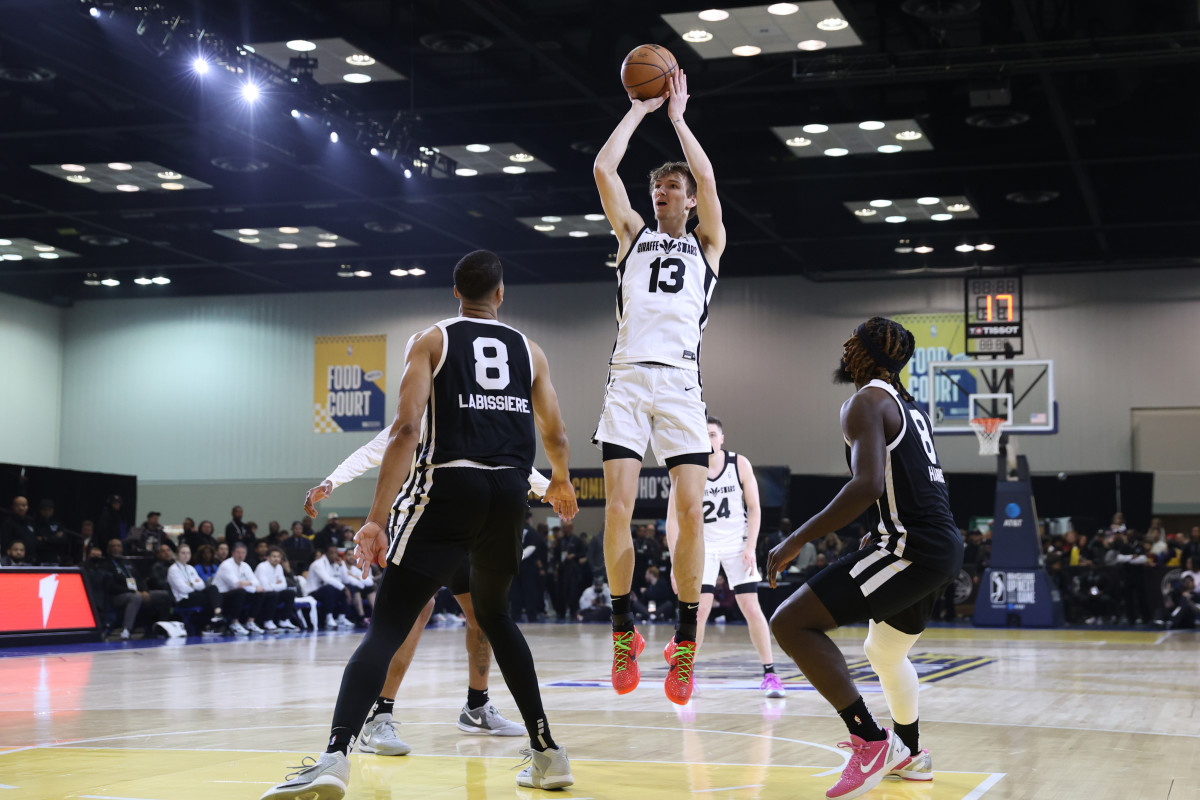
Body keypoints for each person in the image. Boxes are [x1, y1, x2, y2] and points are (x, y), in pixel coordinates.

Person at [262, 250, 579, 799]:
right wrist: (561, 480)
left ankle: (337, 756)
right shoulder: (531, 351)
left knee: (387, 626)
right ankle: (548, 752)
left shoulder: (432, 340)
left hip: (448, 488)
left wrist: (376, 519)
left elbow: (404, 430)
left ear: (455, 291)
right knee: (498, 619)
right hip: (508, 492)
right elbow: (556, 432)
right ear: (501, 295)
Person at [766, 317, 964, 799]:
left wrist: (794, 539)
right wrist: (878, 526)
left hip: (911, 548)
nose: (844, 347)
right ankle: (911, 753)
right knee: (884, 651)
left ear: (866, 355)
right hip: (939, 544)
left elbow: (868, 484)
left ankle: (871, 741)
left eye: (852, 341)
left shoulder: (864, 402)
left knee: (790, 623)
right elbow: (908, 482)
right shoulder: (906, 405)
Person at [592, 67, 725, 704]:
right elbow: (603, 168)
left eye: (674, 187)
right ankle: (624, 633)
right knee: (617, 510)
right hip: (626, 381)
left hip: (679, 386)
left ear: (690, 198)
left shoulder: (708, 245)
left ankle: (683, 643)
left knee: (690, 514)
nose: (664, 195)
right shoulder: (632, 238)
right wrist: (640, 111)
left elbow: (710, 179)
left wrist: (677, 117)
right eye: (660, 189)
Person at [666, 416, 784, 698]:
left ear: (722, 438)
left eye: (713, 434)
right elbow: (672, 519)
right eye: (703, 434)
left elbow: (754, 509)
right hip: (702, 546)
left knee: (751, 608)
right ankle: (685, 673)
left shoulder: (739, 463)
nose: (708, 439)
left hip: (736, 543)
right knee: (700, 611)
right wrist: (675, 561)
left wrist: (750, 546)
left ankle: (770, 673)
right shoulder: (686, 469)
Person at [167, 543, 224, 632]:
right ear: (177, 554)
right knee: (213, 598)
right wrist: (194, 584)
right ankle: (212, 622)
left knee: (213, 588)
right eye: (183, 553)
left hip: (194, 595)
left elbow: (202, 585)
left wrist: (190, 584)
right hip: (183, 599)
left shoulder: (190, 568)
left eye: (188, 553)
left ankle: (217, 615)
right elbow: (182, 588)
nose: (186, 555)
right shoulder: (173, 569)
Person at [213, 541, 265, 635]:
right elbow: (235, 584)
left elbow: (256, 582)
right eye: (238, 552)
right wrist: (250, 585)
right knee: (240, 592)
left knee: (260, 592)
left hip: (238, 594)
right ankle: (234, 623)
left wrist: (246, 583)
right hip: (221, 596)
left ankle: (250, 622)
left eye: (243, 553)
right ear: (233, 553)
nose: (240, 555)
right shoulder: (226, 565)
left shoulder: (245, 565)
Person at [254, 546, 299, 631]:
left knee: (290, 593)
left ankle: (285, 620)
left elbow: (284, 585)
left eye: (278, 557)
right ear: (267, 557)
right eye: (274, 556)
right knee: (273, 594)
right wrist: (276, 584)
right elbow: (265, 587)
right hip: (260, 595)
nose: (276, 559)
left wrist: (272, 585)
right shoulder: (262, 567)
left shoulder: (279, 567)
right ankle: (268, 621)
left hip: (273, 593)